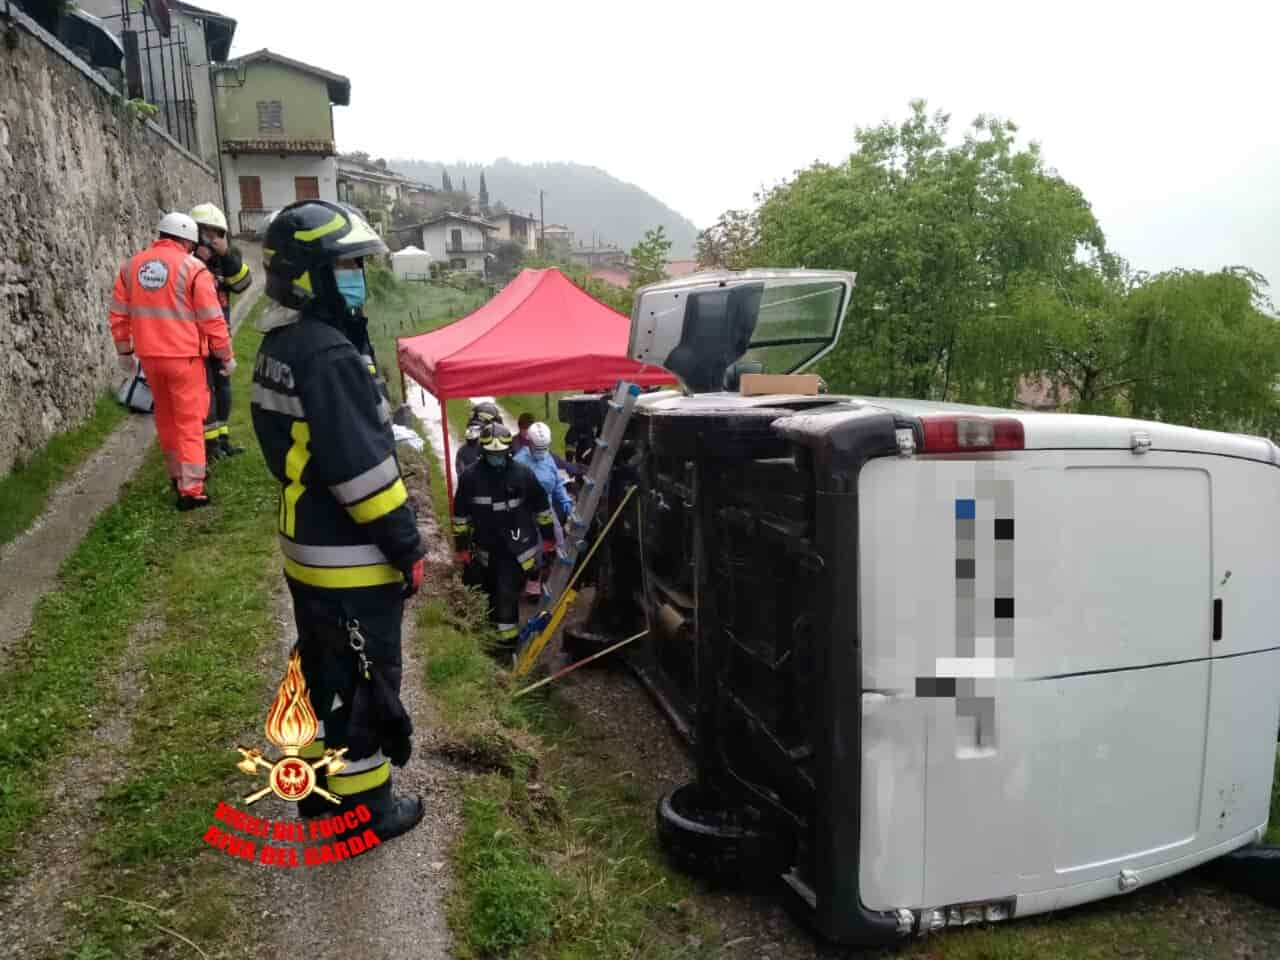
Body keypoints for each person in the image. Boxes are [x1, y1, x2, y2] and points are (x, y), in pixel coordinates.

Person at [250, 199, 425, 840]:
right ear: (310, 275)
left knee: (325, 671)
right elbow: (366, 480)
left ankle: (319, 797)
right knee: (365, 683)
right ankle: (364, 815)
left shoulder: (281, 342)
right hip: (351, 556)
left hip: (307, 544)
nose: (356, 274)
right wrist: (408, 547)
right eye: (346, 264)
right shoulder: (327, 354)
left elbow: (286, 447)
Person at [109, 211, 231, 510]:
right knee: (189, 421)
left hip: (150, 358)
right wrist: (225, 355)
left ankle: (177, 476)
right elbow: (212, 319)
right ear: (188, 241)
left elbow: (118, 314)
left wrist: (125, 351)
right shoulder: (194, 269)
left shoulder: (130, 267)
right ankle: (192, 490)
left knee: (165, 418)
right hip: (184, 358)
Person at [451, 423, 556, 647]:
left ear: (508, 451)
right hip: (485, 549)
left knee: (505, 595)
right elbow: (460, 516)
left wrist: (548, 538)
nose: (496, 458)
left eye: (500, 454)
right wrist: (461, 548)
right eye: (492, 454)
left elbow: (541, 507)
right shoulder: (470, 478)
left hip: (515, 549)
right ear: (483, 452)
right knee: (489, 594)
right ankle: (490, 639)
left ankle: (507, 647)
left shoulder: (522, 473)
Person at [190, 203, 253, 462]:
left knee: (223, 386)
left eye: (217, 233)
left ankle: (223, 439)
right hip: (194, 338)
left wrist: (226, 255)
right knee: (206, 391)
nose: (212, 238)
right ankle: (209, 444)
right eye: (207, 232)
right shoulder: (188, 262)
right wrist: (200, 259)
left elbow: (243, 283)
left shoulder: (224, 260)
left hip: (219, 335)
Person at [513, 422, 573, 597]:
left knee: (559, 541)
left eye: (544, 448)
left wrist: (565, 500)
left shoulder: (548, 459)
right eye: (537, 447)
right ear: (529, 443)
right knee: (531, 549)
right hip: (524, 512)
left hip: (546, 510)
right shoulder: (518, 462)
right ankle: (532, 585)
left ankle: (559, 579)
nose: (541, 451)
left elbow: (557, 483)